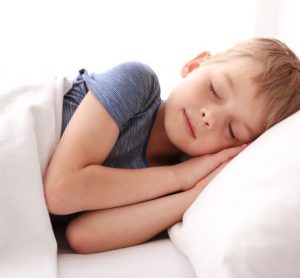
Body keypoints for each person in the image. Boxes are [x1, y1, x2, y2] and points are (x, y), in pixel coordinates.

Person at [44, 37, 300, 254]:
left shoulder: (171, 189)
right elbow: (61, 191)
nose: (209, 117)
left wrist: (190, 194)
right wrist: (180, 176)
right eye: (215, 90)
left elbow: (83, 236)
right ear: (195, 65)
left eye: (233, 130)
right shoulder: (136, 83)